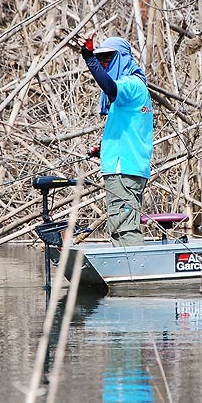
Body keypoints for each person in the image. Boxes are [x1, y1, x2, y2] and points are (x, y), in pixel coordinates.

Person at [76, 34, 153, 247]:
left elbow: (109, 87)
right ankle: (128, 272)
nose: (104, 63)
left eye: (108, 58)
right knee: (120, 226)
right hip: (129, 166)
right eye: (101, 59)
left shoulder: (131, 84)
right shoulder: (133, 92)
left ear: (123, 58)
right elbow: (131, 131)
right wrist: (103, 148)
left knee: (124, 228)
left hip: (124, 169)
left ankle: (135, 275)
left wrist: (89, 57)